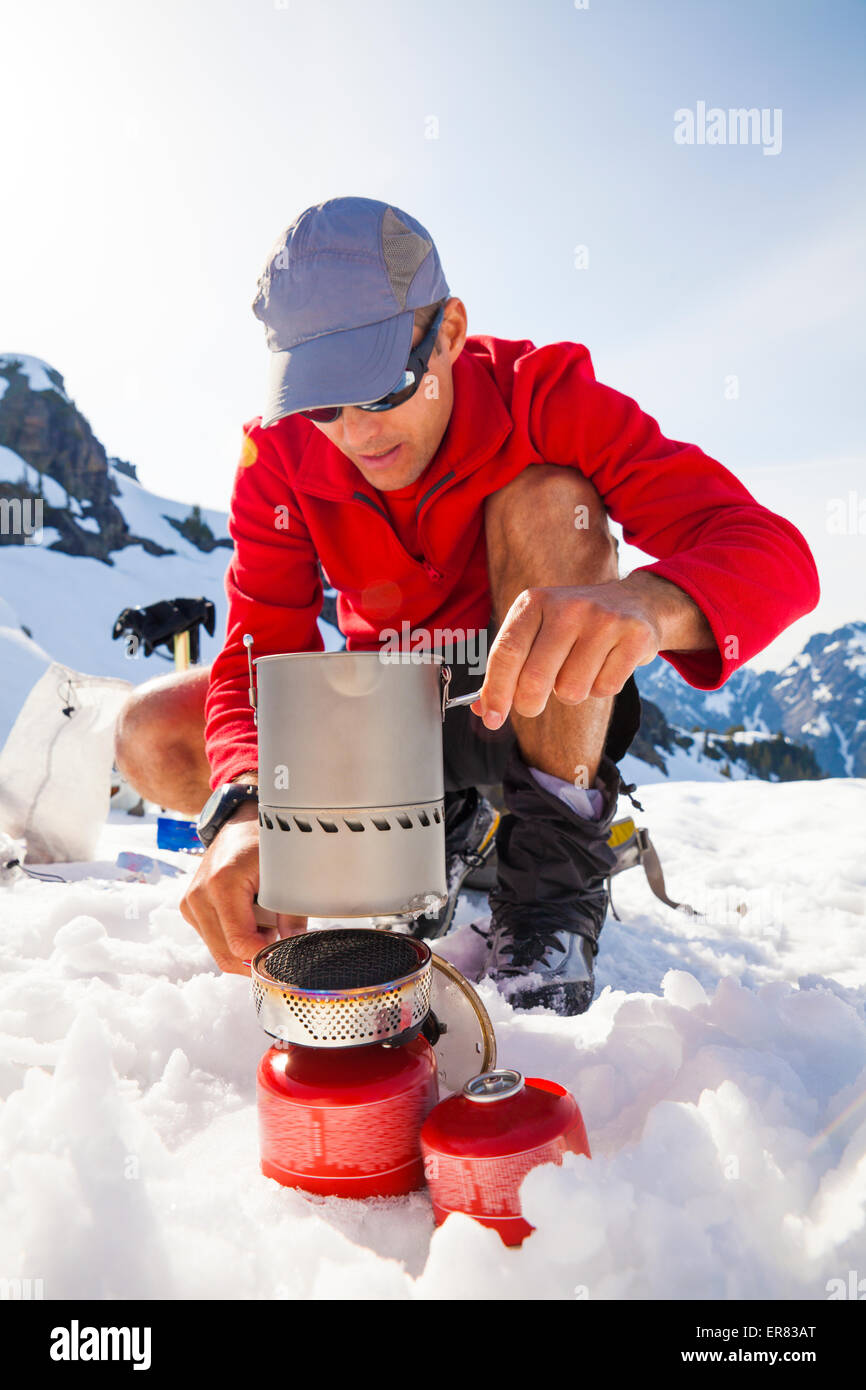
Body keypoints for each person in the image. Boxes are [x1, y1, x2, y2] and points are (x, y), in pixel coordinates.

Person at [114, 196, 820, 1016]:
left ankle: (552, 868)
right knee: (152, 731)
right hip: (385, 725)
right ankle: (450, 827)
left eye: (379, 391)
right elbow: (257, 651)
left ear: (446, 332)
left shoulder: (543, 396)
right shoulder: (276, 454)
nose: (352, 434)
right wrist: (242, 808)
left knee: (555, 501)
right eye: (319, 404)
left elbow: (776, 555)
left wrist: (649, 602)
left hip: (525, 706)